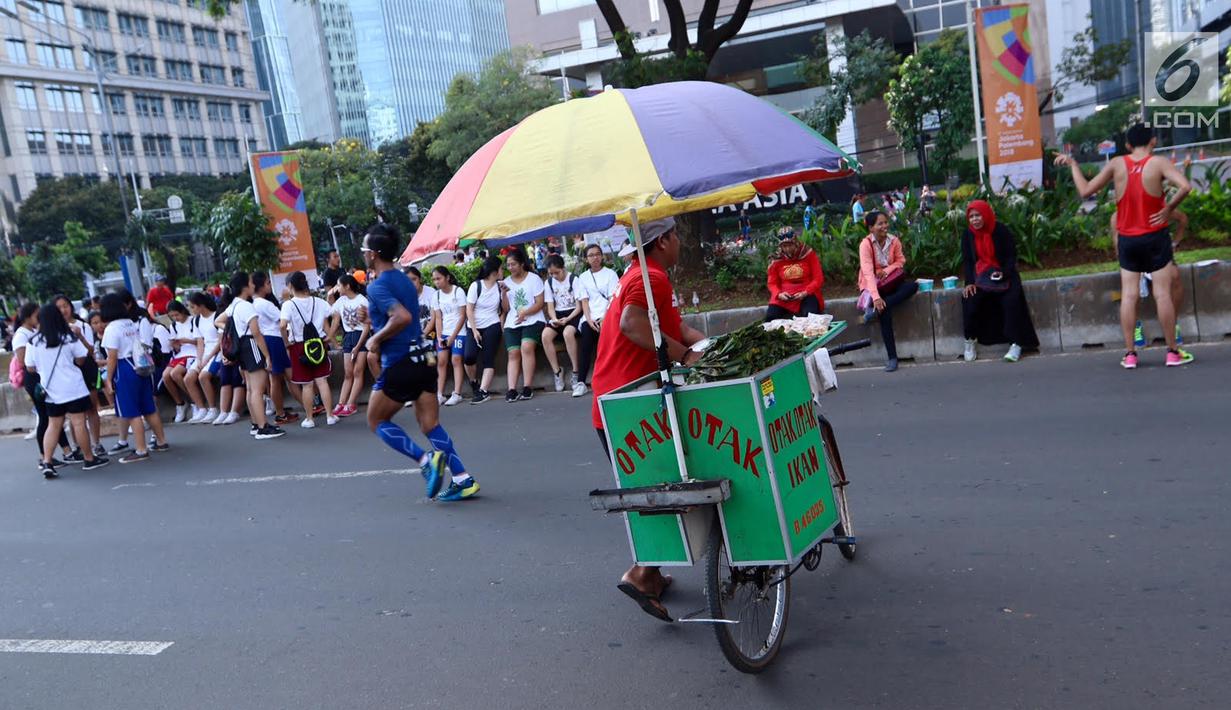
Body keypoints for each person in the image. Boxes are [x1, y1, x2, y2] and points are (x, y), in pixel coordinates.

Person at [591, 217, 707, 622]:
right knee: (666, 487)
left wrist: (702, 344)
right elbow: (632, 325)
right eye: (677, 236)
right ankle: (641, 573)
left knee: (660, 485)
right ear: (663, 241)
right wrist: (683, 355)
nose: (680, 242)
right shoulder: (650, 276)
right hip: (628, 404)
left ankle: (652, 575)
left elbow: (670, 328)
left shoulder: (642, 275)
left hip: (617, 403)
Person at [1055, 123, 1192, 368]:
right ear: (1153, 141)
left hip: (1128, 239)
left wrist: (1074, 165)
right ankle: (1172, 352)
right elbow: (1186, 186)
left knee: (1129, 295)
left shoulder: (1117, 163)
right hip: (1155, 237)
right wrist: (1168, 208)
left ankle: (1130, 355)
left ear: (1128, 145)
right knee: (1162, 294)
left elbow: (1085, 190)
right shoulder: (1159, 162)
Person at [360, 223, 478, 502]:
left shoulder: (377, 286)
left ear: (374, 254)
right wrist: (372, 320)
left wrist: (375, 339)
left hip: (400, 362)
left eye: (365, 249)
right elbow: (398, 313)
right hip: (425, 358)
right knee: (430, 424)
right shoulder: (405, 280)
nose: (363, 253)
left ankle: (426, 461)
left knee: (376, 420)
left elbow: (401, 317)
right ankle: (463, 479)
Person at [25, 304, 111, 477]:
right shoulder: (68, 337)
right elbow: (81, 359)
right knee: (79, 423)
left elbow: (30, 368)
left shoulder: (33, 341)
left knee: (53, 425)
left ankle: (47, 462)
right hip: (73, 388)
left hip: (51, 390)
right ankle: (89, 458)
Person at [960, 200, 1039, 363]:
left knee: (1011, 301)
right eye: (971, 216)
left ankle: (1016, 344)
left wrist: (1003, 273)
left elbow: (1011, 256)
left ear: (986, 215)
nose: (974, 219)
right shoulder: (967, 235)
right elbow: (968, 261)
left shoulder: (1000, 230)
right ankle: (970, 340)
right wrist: (969, 282)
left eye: (978, 215)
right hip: (980, 276)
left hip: (1004, 273)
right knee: (970, 298)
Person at [101, 291, 169, 463]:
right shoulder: (131, 323)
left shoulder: (111, 329)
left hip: (124, 368)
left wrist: (108, 378)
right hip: (141, 364)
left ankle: (141, 449)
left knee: (132, 412)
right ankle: (161, 441)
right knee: (148, 407)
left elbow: (112, 356)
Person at [215, 272, 285, 439]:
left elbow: (217, 320)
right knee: (258, 389)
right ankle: (263, 427)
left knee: (251, 388)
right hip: (251, 345)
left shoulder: (234, 305)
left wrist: (232, 332)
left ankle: (256, 423)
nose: (253, 285)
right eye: (251, 283)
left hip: (242, 348)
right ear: (245, 286)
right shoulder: (247, 306)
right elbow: (256, 333)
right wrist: (266, 355)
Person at [13, 302, 76, 467]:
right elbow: (23, 361)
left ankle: (67, 451)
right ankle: (44, 456)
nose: (40, 318)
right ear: (28, 317)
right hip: (34, 378)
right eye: (36, 315)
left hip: (43, 376)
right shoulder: (22, 335)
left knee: (54, 416)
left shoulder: (34, 332)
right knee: (45, 417)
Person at [858, 211, 919, 372]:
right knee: (885, 313)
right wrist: (876, 298)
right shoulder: (865, 245)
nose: (884, 226)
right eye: (880, 224)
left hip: (892, 281)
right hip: (875, 286)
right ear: (871, 228)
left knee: (913, 286)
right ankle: (892, 357)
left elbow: (901, 261)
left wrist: (887, 270)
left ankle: (878, 309)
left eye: (885, 222)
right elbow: (868, 273)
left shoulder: (894, 241)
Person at [281, 271, 338, 428]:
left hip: (299, 346)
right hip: (318, 344)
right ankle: (330, 416)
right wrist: (330, 335)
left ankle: (309, 419)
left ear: (291, 286)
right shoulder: (319, 302)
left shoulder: (288, 305)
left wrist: (286, 342)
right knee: (322, 381)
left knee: (307, 385)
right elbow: (336, 315)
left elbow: (282, 325)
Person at [53, 294, 104, 457]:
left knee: (91, 407)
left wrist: (79, 336)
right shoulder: (53, 329)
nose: (63, 310)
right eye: (59, 307)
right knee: (74, 412)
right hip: (67, 372)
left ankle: (96, 443)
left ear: (71, 307)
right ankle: (78, 446)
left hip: (86, 368)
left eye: (65, 305)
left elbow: (90, 351)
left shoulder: (83, 326)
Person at [572, 244, 620, 398]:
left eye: (598, 254)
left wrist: (605, 317)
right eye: (591, 255)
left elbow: (614, 299)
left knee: (606, 345)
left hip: (608, 315)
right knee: (585, 344)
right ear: (586, 259)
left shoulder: (611, 274)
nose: (595, 258)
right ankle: (581, 382)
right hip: (590, 317)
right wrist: (589, 319)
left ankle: (610, 380)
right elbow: (584, 301)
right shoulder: (583, 277)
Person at [500, 246, 546, 402]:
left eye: (513, 264)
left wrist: (525, 313)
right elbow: (506, 309)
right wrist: (503, 293)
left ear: (521, 264)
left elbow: (540, 303)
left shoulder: (534, 279)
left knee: (526, 347)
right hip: (513, 322)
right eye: (508, 265)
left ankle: (527, 386)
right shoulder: (505, 282)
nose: (510, 268)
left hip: (533, 319)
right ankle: (511, 389)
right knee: (513, 353)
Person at [252, 273, 299, 423]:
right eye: (267, 283)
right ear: (260, 286)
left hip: (269, 340)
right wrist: (286, 300)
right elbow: (282, 320)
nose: (270, 285)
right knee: (278, 379)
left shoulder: (255, 304)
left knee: (284, 377)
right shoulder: (264, 304)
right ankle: (281, 413)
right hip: (274, 339)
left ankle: (300, 407)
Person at [464, 256, 505, 404]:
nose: (503, 271)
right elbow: (469, 310)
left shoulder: (500, 286)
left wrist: (505, 293)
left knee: (488, 359)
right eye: (501, 268)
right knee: (468, 357)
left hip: (492, 324)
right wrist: (474, 330)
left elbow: (504, 309)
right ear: (494, 271)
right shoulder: (476, 286)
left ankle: (483, 391)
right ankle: (474, 382)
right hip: (474, 325)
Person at [329, 274, 370, 418]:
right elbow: (332, 314)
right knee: (348, 372)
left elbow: (366, 326)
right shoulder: (341, 301)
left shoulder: (362, 301)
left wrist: (358, 346)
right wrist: (330, 297)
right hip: (348, 337)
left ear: (347, 286)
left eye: (339, 285)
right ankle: (341, 403)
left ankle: (351, 404)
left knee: (358, 371)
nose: (337, 288)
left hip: (361, 336)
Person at [765, 226, 824, 322]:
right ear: (780, 246)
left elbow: (818, 279)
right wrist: (779, 294)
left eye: (790, 245)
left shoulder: (808, 254)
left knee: (811, 316)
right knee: (771, 317)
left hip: (806, 293)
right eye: (784, 246)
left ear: (795, 243)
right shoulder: (776, 259)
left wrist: (806, 292)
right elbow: (772, 283)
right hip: (784, 296)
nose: (787, 249)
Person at [430, 265, 470, 406]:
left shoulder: (458, 292)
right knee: (441, 361)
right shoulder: (436, 295)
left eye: (439, 278)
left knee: (456, 359)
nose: (437, 282)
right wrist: (440, 336)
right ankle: (439, 394)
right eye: (434, 279)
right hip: (444, 332)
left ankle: (457, 393)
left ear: (447, 277)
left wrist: (452, 337)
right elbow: (438, 318)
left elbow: (462, 316)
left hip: (459, 332)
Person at [542, 254, 582, 392]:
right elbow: (550, 306)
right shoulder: (549, 283)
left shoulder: (574, 279)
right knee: (545, 336)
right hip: (557, 314)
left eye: (557, 272)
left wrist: (568, 319)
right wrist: (554, 319)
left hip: (573, 314)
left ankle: (576, 371)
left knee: (568, 333)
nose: (554, 276)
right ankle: (557, 371)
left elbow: (579, 306)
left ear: (563, 268)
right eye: (551, 273)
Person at [208, 291, 247, 426]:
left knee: (237, 380)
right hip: (228, 353)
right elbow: (222, 341)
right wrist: (225, 356)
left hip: (241, 354)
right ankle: (224, 411)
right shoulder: (225, 319)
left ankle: (234, 411)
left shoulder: (239, 315)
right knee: (225, 379)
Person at [164, 300, 205, 422]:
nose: (175, 318)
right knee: (166, 376)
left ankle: (195, 401)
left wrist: (187, 340)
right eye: (172, 316)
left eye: (177, 315)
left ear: (182, 311)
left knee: (175, 374)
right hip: (181, 354)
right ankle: (181, 404)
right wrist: (174, 344)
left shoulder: (193, 320)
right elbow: (175, 346)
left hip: (192, 353)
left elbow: (200, 341)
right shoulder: (174, 325)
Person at [185, 292, 220, 424]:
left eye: (192, 307)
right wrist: (199, 359)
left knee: (203, 376)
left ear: (201, 305)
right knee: (188, 378)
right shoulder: (197, 320)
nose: (191, 310)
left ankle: (212, 409)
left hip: (217, 352)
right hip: (205, 352)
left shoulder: (216, 316)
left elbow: (220, 341)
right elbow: (200, 342)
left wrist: (207, 358)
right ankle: (201, 409)